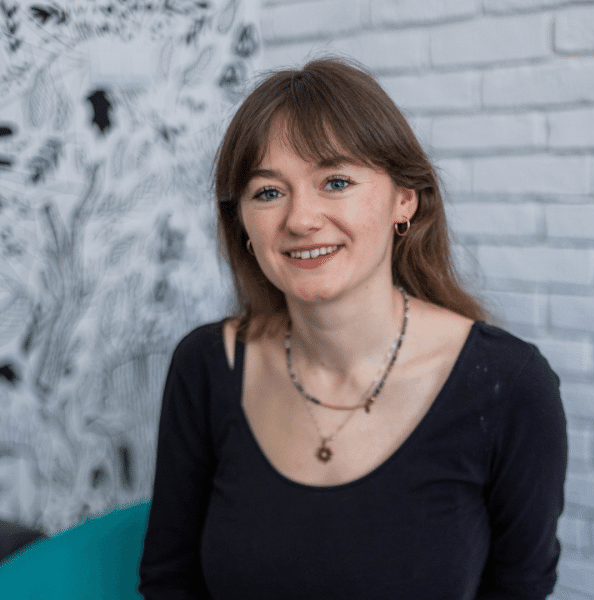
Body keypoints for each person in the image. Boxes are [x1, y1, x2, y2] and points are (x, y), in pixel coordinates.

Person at [138, 57, 567, 600]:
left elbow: (520, 588)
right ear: (242, 224)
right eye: (268, 192)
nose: (300, 219)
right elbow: (169, 581)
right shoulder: (206, 365)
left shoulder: (510, 385)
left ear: (403, 200)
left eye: (335, 181)